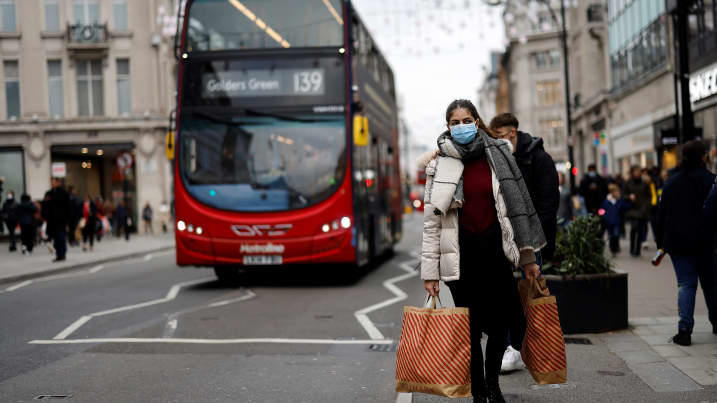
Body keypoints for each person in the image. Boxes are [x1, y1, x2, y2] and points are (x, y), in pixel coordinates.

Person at [420, 100, 544, 402]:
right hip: (461, 256)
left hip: (496, 252)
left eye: (466, 119)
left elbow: (519, 209)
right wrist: (429, 273)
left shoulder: (499, 154)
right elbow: (432, 222)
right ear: (448, 126)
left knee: (502, 322)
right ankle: (477, 389)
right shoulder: (441, 163)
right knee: (471, 327)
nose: (460, 126)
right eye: (454, 122)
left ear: (477, 121)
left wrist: (528, 259)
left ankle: (493, 383)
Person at [488, 113, 559, 373]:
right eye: (498, 137)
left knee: (532, 295)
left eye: (509, 136)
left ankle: (536, 346)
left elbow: (549, 204)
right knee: (506, 296)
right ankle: (511, 347)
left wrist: (542, 242)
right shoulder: (496, 161)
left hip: (531, 241)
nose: (506, 141)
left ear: (515, 133)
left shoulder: (539, 159)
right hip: (505, 240)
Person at [656, 140, 717, 346]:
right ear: (703, 157)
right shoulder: (710, 180)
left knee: (685, 284)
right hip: (706, 242)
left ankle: (684, 331)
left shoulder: (672, 182)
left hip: (679, 243)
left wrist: (661, 243)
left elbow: (661, 215)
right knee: (711, 284)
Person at [623, 165, 651, 257]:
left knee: (639, 229)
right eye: (635, 171)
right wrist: (629, 197)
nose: (637, 173)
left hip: (642, 209)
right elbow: (623, 195)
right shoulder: (628, 183)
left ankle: (637, 250)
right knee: (634, 228)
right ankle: (632, 248)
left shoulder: (644, 183)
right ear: (632, 173)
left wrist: (646, 206)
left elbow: (648, 196)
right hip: (632, 208)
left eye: (638, 171)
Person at [600, 184, 631, 257]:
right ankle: (612, 248)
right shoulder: (606, 201)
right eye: (616, 192)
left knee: (616, 235)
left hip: (616, 221)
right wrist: (604, 216)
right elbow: (601, 210)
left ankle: (615, 247)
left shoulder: (619, 201)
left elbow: (625, 206)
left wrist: (631, 202)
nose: (617, 193)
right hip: (608, 222)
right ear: (612, 192)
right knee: (611, 236)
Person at [45, 177, 70, 262]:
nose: (53, 183)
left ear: (58, 183)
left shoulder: (63, 193)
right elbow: (46, 206)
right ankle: (59, 254)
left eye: (54, 182)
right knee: (55, 238)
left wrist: (66, 218)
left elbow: (68, 206)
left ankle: (62, 254)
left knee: (61, 237)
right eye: (51, 182)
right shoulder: (48, 193)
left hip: (61, 220)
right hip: (51, 221)